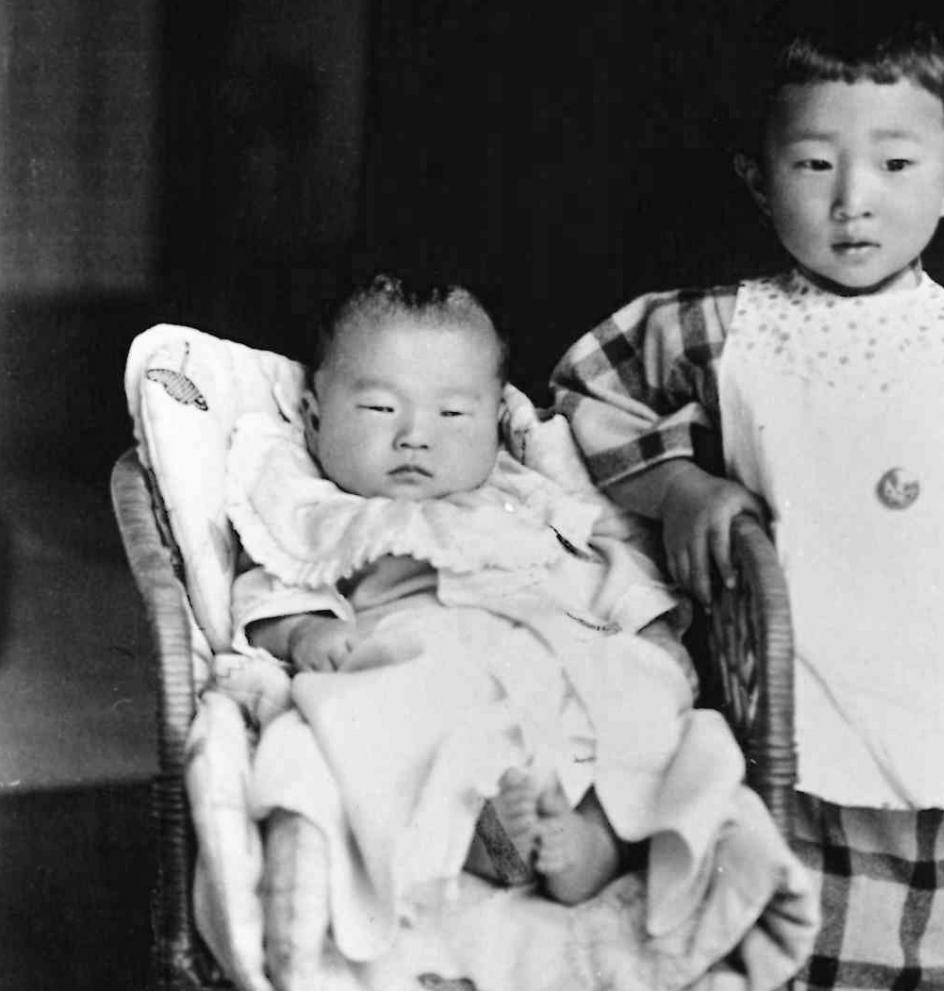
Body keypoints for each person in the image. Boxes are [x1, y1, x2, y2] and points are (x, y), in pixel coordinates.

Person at [550, 3, 944, 988]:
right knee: (778, 942)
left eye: (896, 163)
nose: (853, 203)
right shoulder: (722, 329)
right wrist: (682, 488)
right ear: (759, 178)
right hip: (783, 725)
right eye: (813, 163)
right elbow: (587, 390)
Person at [227, 275, 782, 985]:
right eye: (379, 407)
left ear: (494, 420)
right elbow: (269, 588)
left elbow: (604, 558)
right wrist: (303, 633)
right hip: (422, 660)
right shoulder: (320, 512)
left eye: (454, 413)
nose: (415, 435)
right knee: (361, 730)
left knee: (655, 713)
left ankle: (596, 837)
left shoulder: (526, 493)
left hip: (558, 655)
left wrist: (643, 634)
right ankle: (482, 840)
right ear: (313, 417)